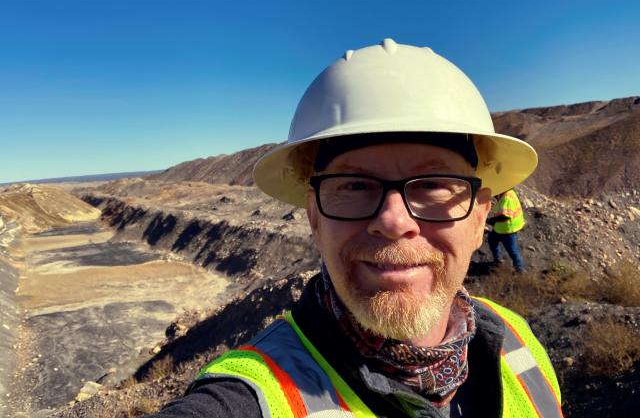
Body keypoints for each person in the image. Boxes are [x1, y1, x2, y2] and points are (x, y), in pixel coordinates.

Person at [146, 39, 562, 418]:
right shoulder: (246, 401)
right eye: (356, 185)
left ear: (478, 219)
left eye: (434, 184)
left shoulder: (517, 339)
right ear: (313, 218)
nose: (394, 221)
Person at [487, 189, 526, 272]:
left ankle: (520, 270)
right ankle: (498, 260)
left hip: (508, 230)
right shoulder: (506, 194)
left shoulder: (507, 198)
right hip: (499, 228)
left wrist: (491, 220)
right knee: (492, 241)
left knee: (513, 250)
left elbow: (506, 216)